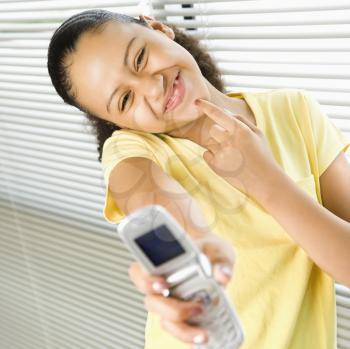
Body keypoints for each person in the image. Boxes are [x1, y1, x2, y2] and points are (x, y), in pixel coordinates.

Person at [47, 9, 350, 349]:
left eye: (140, 57)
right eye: (125, 99)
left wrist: (266, 181)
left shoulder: (294, 112)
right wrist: (197, 245)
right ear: (115, 122)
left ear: (159, 28)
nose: (151, 86)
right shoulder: (131, 152)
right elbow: (151, 201)